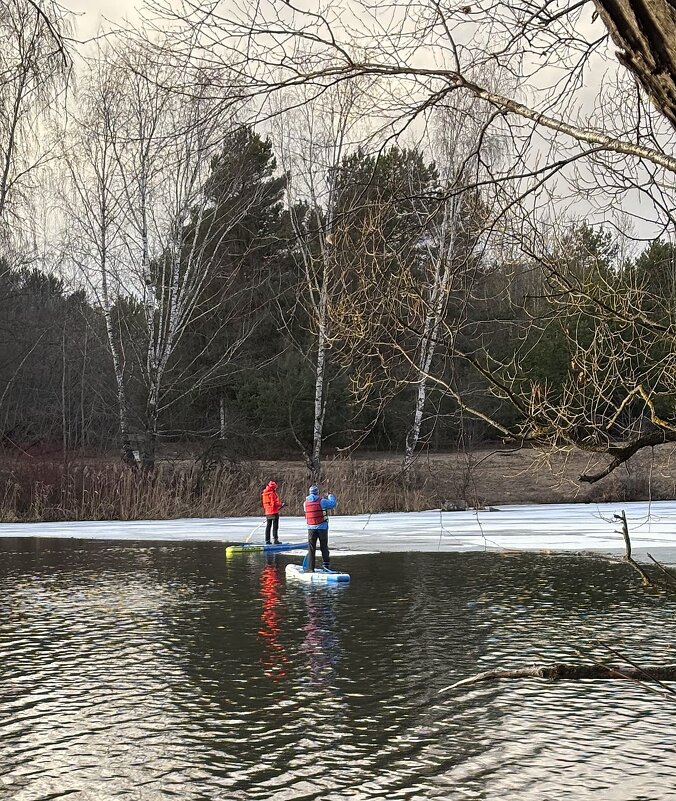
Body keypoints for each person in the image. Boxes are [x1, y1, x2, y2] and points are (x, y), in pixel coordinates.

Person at [303, 484, 337, 572]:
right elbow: (333, 504)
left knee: (311, 548)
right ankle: (326, 565)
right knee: (324, 547)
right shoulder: (322, 501)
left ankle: (311, 568)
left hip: (311, 528)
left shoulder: (305, 503)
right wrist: (331, 496)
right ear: (317, 492)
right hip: (322, 527)